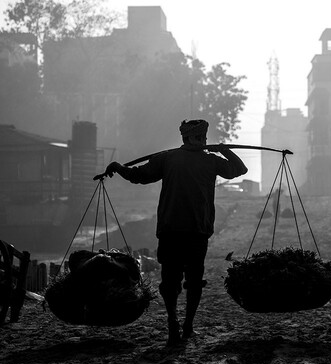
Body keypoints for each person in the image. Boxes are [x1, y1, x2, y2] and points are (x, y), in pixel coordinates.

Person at [103, 119, 248, 346]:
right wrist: (226, 152)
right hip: (187, 230)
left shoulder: (177, 159)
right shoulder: (195, 160)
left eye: (204, 138)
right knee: (176, 280)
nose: (202, 141)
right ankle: (176, 323)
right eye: (198, 137)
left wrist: (118, 168)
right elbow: (139, 175)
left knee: (188, 281)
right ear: (187, 138)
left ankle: (186, 325)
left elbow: (137, 176)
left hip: (183, 230)